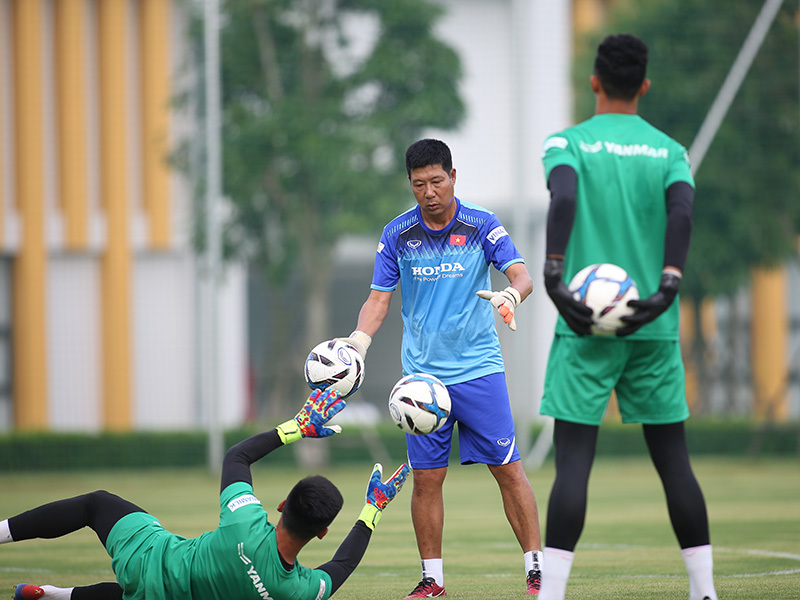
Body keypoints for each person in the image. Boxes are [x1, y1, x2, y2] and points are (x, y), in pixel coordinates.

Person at [537, 34, 718, 600]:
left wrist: (553, 274)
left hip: (584, 323)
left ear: (594, 82)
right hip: (652, 323)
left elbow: (563, 200)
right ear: (643, 86)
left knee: (573, 465)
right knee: (674, 462)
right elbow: (683, 210)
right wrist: (668, 285)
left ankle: (554, 594)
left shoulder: (567, 142)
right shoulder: (669, 151)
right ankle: (705, 592)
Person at [334, 138, 543, 597]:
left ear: (453, 177)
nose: (428, 192)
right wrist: (358, 343)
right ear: (410, 186)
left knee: (508, 469)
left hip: (479, 369)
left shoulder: (481, 224)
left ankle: (537, 569)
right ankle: (433, 579)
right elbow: (378, 299)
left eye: (436, 181)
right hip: (422, 383)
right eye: (418, 184)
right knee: (426, 480)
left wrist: (512, 295)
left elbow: (521, 274)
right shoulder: (397, 234)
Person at [1, 389, 410, 600]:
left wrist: (295, 428)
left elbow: (238, 456)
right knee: (143, 596)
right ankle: (55, 596)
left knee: (97, 505)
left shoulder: (245, 521)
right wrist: (372, 509)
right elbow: (341, 567)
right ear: (321, 532)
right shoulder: (296, 591)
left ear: (282, 506)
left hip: (149, 558)